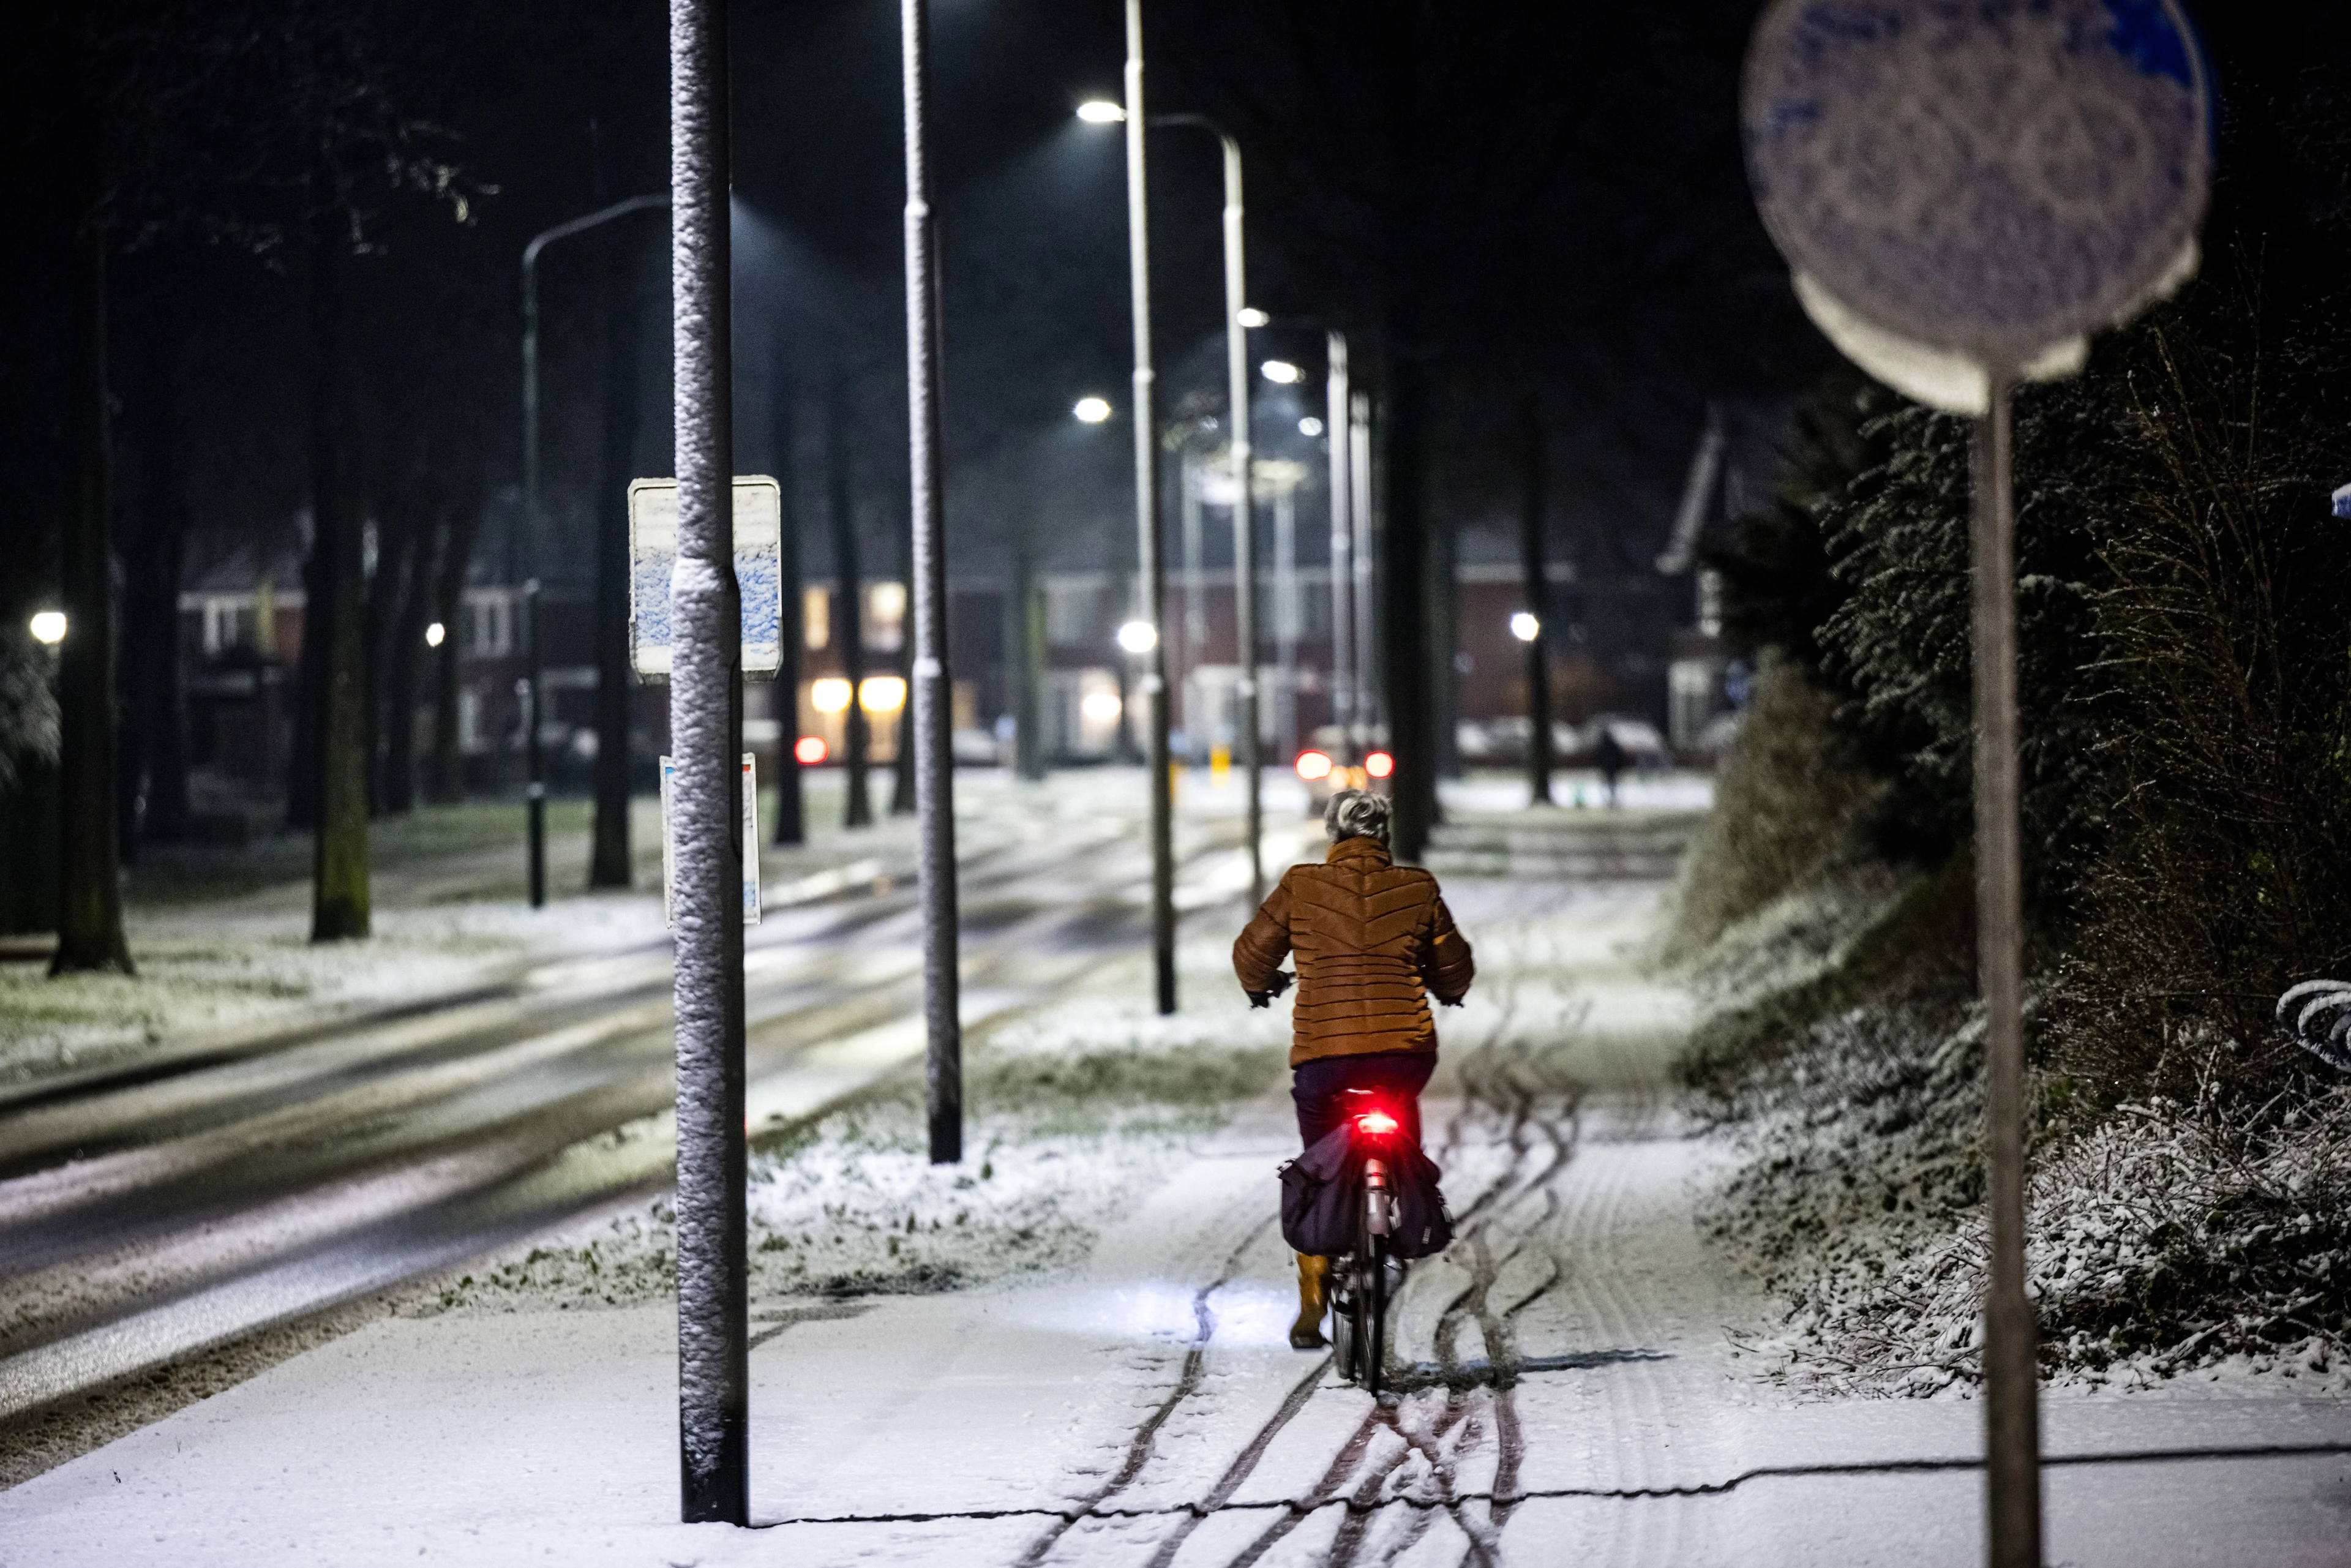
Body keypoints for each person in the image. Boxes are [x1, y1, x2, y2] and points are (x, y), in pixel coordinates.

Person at [1232, 787, 1475, 1350]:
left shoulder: (1302, 884)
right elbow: (1452, 965)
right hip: (1402, 1055)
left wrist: (1261, 985)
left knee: (1321, 1166)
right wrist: (1449, 989)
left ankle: (1313, 1294)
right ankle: (1399, 1215)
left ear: (1332, 834)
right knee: (1400, 1129)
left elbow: (1252, 955)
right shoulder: (1419, 887)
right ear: (1385, 835)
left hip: (1325, 1059)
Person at [1592, 724, 1628, 808]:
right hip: (1612, 767)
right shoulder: (1613, 745)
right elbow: (1619, 756)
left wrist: (1601, 765)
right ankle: (1613, 800)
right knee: (1613, 784)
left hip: (1608, 767)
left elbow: (1599, 757)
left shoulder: (1603, 745)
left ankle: (1610, 800)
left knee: (1609, 784)